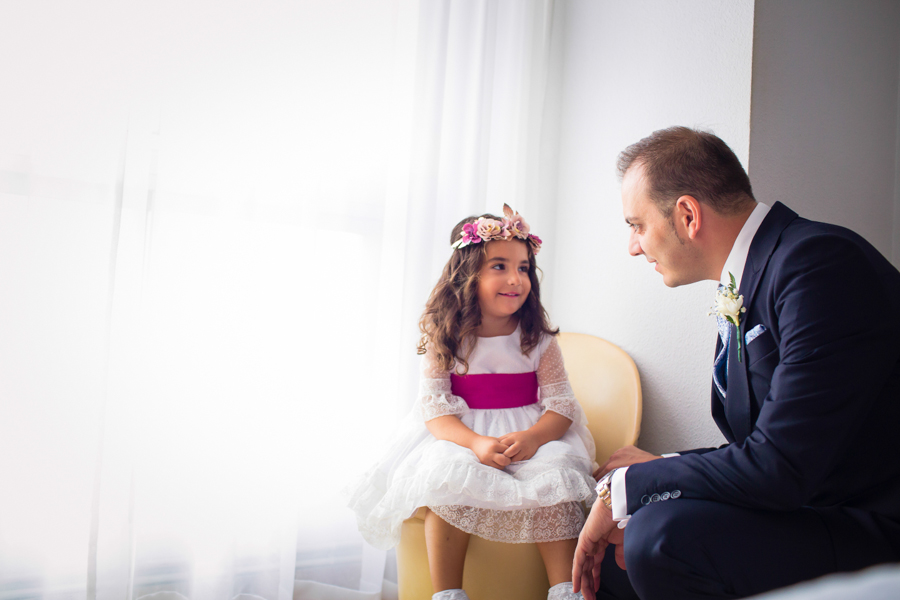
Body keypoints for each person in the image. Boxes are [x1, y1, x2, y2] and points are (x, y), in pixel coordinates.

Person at [572, 127, 900, 600]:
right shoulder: (757, 276)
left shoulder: (818, 265)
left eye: (637, 225)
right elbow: (765, 447)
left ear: (687, 215)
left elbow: (780, 466)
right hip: (810, 504)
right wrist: (657, 472)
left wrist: (635, 483)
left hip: (868, 522)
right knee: (617, 549)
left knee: (657, 537)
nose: (634, 246)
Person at [346, 205, 598, 600]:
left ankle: (566, 590)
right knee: (449, 480)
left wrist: (533, 439)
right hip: (460, 435)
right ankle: (448, 593)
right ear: (467, 273)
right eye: (499, 266)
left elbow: (562, 405)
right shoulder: (445, 337)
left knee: (555, 477)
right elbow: (434, 408)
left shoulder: (540, 341)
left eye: (524, 268)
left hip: (528, 431)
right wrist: (476, 444)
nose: (516, 279)